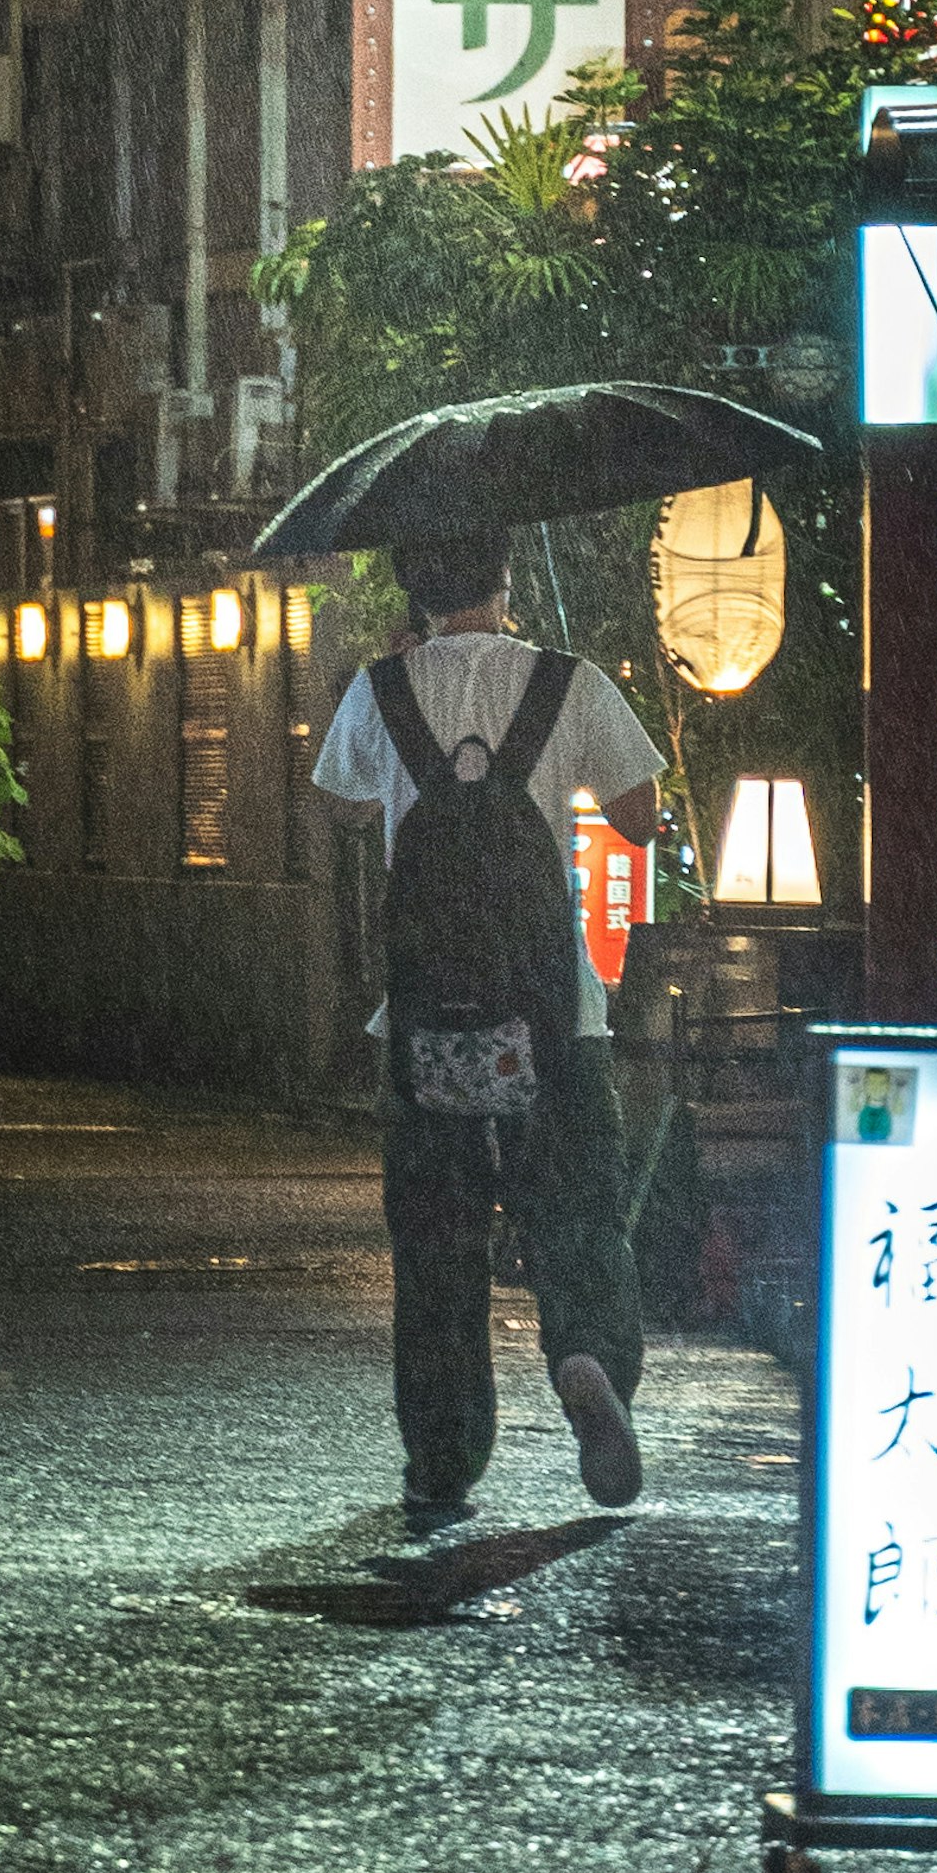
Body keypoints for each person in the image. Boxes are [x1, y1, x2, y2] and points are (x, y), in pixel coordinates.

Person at [313, 532, 664, 1529]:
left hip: (428, 1023)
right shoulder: (571, 679)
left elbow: (338, 811)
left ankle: (444, 1452)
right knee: (579, 1211)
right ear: (505, 579)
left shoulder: (379, 689)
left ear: (416, 589)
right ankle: (588, 1354)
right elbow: (639, 818)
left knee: (436, 1237)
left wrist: (396, 693)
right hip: (556, 1018)